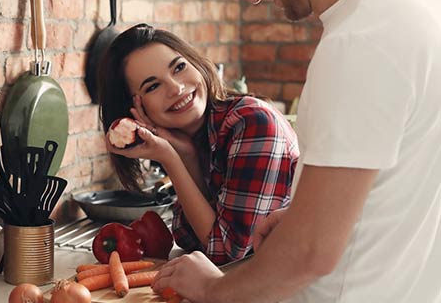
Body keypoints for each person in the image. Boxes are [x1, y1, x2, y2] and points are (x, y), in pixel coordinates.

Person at [151, 0, 441, 302]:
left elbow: (311, 254)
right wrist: (306, 216)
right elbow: (409, 173)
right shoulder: (422, 1)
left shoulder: (361, 40)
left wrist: (212, 287)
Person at [98, 23, 299, 265]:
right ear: (135, 110)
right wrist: (188, 157)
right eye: (153, 86)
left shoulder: (253, 123)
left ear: (196, 62)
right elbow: (189, 237)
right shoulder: (197, 139)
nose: (176, 87)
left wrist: (170, 158)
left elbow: (225, 252)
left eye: (179, 67)